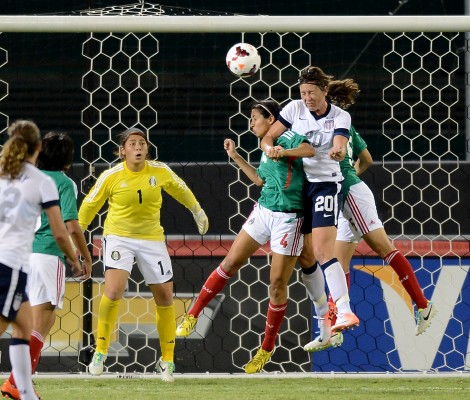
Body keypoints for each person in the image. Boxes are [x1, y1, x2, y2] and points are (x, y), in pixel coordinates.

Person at [175, 99, 315, 374]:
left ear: (272, 118)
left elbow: (310, 149)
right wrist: (237, 157)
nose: (251, 122)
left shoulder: (288, 136)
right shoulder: (264, 144)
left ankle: (265, 350)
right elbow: (260, 181)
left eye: (255, 117)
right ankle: (192, 315)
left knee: (276, 284)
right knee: (229, 263)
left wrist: (283, 152)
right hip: (263, 211)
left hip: (289, 217)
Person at [303, 80, 438, 351]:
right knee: (336, 265)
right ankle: (334, 330)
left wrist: (347, 177)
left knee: (383, 248)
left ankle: (424, 306)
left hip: (350, 193)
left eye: (311, 95)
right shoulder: (344, 125)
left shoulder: (332, 126)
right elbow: (367, 159)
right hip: (337, 195)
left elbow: (358, 162)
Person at [78, 127, 209, 383]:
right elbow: (89, 205)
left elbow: (179, 188)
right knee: (113, 291)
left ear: (147, 149)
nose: (138, 147)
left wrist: (197, 210)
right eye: (132, 143)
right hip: (119, 237)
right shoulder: (111, 176)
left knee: (165, 296)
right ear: (122, 151)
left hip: (151, 239)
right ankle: (100, 352)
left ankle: (167, 360)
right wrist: (76, 236)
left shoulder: (159, 171)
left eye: (142, 143)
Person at [260, 67, 360, 352]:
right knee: (306, 257)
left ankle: (344, 309)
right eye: (303, 93)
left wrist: (338, 152)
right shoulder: (293, 109)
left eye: (312, 94)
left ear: (324, 92)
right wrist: (270, 149)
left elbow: (340, 143)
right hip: (299, 188)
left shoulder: (340, 117)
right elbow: (269, 137)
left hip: (326, 186)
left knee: (322, 251)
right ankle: (325, 327)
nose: (307, 99)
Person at [1, 131, 92, 400]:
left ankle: (19, 383)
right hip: (46, 256)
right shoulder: (64, 183)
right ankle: (18, 383)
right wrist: (84, 258)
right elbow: (71, 226)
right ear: (68, 161)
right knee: (42, 322)